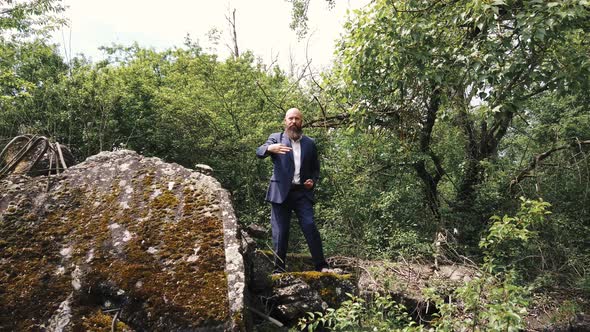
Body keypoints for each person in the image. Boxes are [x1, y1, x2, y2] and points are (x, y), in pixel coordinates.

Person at [256, 107, 329, 273]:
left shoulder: (310, 143)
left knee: (310, 226)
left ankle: (322, 265)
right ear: (285, 121)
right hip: (280, 193)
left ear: (301, 122)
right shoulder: (276, 138)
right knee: (280, 231)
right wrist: (269, 149)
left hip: (302, 193)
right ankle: (279, 270)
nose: (293, 122)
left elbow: (315, 169)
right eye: (290, 119)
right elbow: (259, 152)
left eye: (297, 119)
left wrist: (312, 181)